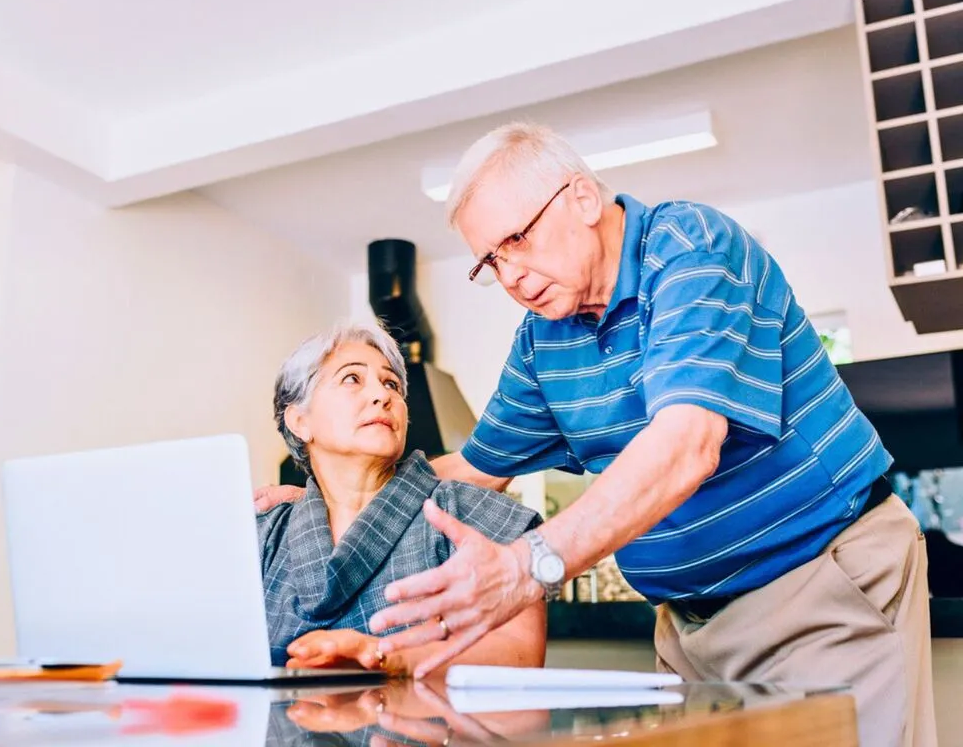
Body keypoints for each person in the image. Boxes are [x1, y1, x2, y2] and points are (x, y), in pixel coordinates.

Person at [256, 122, 935, 747]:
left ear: (581, 197)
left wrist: (528, 565)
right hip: (685, 623)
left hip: (816, 581)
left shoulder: (690, 249)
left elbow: (687, 444)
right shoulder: (542, 342)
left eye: (516, 239)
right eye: (490, 261)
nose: (512, 275)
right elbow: (474, 470)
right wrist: (340, 491)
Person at [257, 320, 546, 677]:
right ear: (299, 421)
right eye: (352, 378)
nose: (383, 395)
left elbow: (521, 652)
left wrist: (385, 657)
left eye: (391, 383)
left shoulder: (469, 512)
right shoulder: (265, 532)